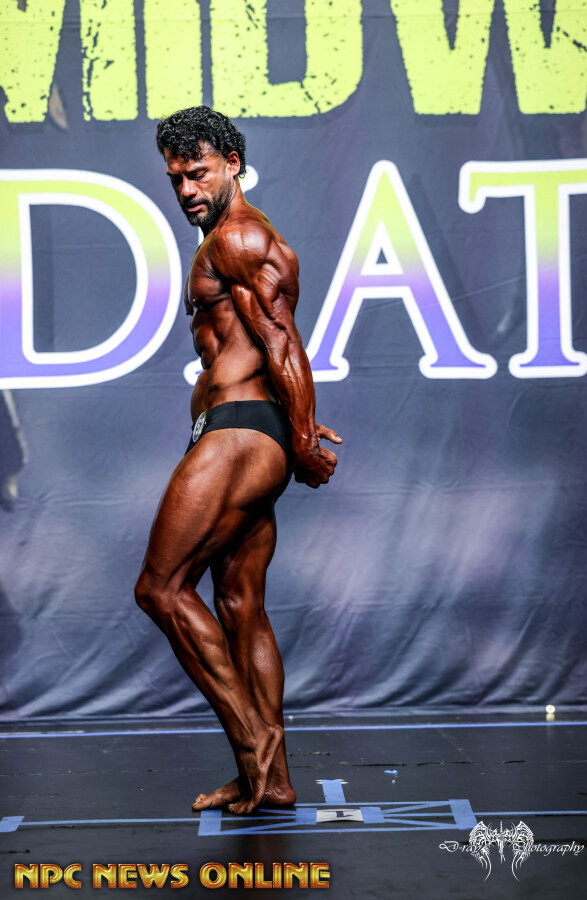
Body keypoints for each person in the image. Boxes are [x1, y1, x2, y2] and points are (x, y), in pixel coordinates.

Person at [135, 107, 341, 815]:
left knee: (161, 589)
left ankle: (255, 745)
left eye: (197, 173)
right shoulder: (228, 240)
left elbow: (283, 342)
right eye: (175, 178)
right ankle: (272, 779)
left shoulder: (240, 237)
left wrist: (303, 436)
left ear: (231, 163)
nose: (186, 189)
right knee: (239, 605)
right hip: (250, 428)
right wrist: (294, 427)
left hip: (238, 433)